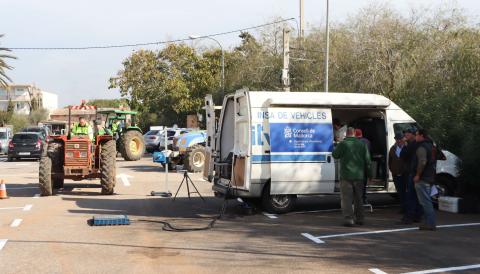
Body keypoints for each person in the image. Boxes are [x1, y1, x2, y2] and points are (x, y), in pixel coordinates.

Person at [333, 127, 372, 227]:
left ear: (346, 133)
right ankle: (360, 219)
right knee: (359, 198)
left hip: (346, 176)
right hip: (359, 176)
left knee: (346, 199)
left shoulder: (343, 144)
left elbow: (335, 155)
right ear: (354, 133)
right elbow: (368, 161)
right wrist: (370, 174)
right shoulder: (362, 144)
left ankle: (349, 219)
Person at [413, 129, 437, 230]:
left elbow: (422, 161)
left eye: (417, 135)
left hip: (423, 178)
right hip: (430, 177)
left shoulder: (422, 147)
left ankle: (430, 224)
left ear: (422, 136)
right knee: (426, 201)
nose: (415, 137)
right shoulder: (431, 146)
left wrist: (418, 174)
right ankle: (428, 222)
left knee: (425, 202)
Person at [399, 128, 423, 224]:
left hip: (412, 172)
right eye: (405, 133)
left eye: (408, 133)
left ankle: (409, 217)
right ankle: (417, 216)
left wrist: (404, 145)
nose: (406, 135)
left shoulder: (411, 145)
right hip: (415, 172)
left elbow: (403, 155)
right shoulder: (417, 144)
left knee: (411, 195)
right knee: (417, 196)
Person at [389, 132, 407, 214]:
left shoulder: (407, 148)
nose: (399, 140)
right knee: (400, 192)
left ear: (403, 139)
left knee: (407, 192)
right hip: (396, 174)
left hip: (405, 174)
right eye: (397, 139)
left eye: (400, 139)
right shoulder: (393, 148)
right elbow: (390, 161)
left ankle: (408, 208)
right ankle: (403, 207)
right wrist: (392, 170)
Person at [355, 128, 372, 204]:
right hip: (364, 167)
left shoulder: (355, 142)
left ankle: (357, 201)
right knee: (363, 185)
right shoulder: (367, 141)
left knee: (356, 186)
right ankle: (364, 199)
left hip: (356, 168)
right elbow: (369, 154)